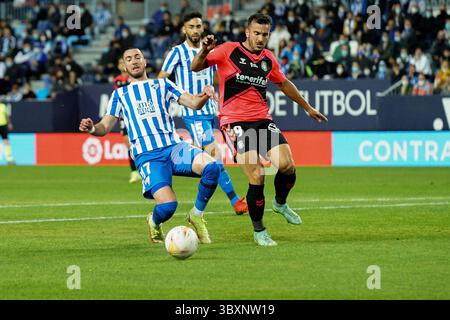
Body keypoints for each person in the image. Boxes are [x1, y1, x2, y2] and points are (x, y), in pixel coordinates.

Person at [191, 13, 328, 246]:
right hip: (234, 122)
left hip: (262, 120)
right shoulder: (228, 50)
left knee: (287, 165)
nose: (261, 38)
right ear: (247, 32)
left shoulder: (268, 59)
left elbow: (284, 84)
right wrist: (204, 50)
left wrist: (307, 107)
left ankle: (280, 203)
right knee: (257, 175)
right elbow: (196, 67)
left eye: (265, 34)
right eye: (256, 33)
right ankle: (259, 230)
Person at [79, 48, 220, 244]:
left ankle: (196, 214)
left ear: (145, 62)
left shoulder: (163, 84)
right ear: (124, 66)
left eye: (137, 57)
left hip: (174, 148)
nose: (134, 61)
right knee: (168, 207)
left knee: (212, 167)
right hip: (148, 156)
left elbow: (195, 103)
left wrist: (205, 93)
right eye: (128, 59)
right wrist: (92, 128)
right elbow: (104, 127)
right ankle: (154, 221)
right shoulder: (120, 95)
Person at [158, 12, 248, 215]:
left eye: (198, 26)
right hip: (193, 112)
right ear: (184, 29)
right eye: (191, 26)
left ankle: (221, 196)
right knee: (215, 155)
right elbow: (161, 79)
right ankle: (234, 201)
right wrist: (176, 96)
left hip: (213, 111)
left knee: (214, 157)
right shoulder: (177, 52)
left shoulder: (211, 51)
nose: (196, 30)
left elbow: (216, 76)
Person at [113, 58, 140, 183]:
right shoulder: (117, 80)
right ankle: (134, 171)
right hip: (124, 116)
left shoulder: (133, 77)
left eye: (124, 62)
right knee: (127, 144)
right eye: (120, 63)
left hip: (135, 114)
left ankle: (144, 168)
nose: (122, 65)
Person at [0, 101, 14, 165]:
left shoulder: (3, 106)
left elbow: (7, 116)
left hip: (3, 125)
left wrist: (9, 123)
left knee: (6, 141)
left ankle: (9, 159)